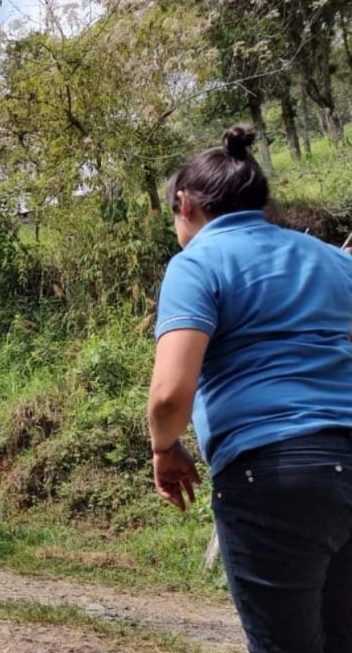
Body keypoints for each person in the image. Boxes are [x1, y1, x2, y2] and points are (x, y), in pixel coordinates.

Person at [148, 125, 352, 653]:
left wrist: (164, 449)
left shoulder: (196, 264)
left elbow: (171, 394)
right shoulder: (334, 259)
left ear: (184, 203)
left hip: (273, 476)